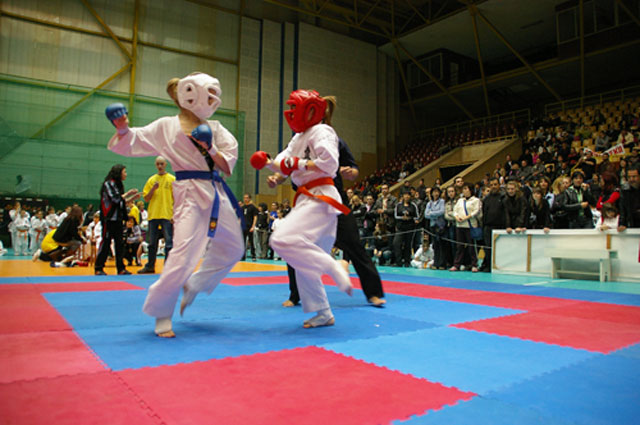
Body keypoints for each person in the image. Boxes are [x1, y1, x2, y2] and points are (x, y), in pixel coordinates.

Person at [105, 72, 245, 337]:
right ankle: (162, 312)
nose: (209, 102)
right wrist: (122, 128)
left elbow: (227, 166)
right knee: (182, 253)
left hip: (216, 192)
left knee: (234, 247)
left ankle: (194, 284)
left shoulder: (216, 128)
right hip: (188, 193)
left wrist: (210, 147)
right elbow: (134, 139)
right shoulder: (166, 127)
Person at [250, 89, 353, 328]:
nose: (291, 112)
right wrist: (268, 164)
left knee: (281, 239)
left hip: (321, 197)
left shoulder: (323, 131)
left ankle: (334, 266)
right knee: (304, 264)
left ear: (310, 111)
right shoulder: (297, 138)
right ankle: (323, 313)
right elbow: (283, 163)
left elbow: (330, 164)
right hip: (308, 200)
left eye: (295, 108)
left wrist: (299, 163)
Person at [94, 164, 140, 275]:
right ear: (119, 173)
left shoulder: (118, 185)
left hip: (118, 219)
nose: (126, 174)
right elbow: (115, 199)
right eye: (124, 172)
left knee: (120, 244)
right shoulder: (108, 184)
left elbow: (121, 202)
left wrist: (132, 198)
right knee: (106, 242)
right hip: (108, 218)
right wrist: (128, 194)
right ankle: (99, 267)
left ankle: (121, 268)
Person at [138, 156, 175, 274]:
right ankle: (150, 266)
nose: (160, 166)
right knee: (152, 243)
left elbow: (177, 198)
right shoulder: (151, 180)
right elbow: (146, 198)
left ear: (166, 164)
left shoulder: (172, 179)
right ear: (155, 165)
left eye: (162, 164)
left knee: (169, 243)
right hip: (153, 215)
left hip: (167, 215)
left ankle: (168, 267)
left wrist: (175, 214)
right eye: (158, 164)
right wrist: (153, 189)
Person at [450, 183, 480, 272]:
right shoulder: (460, 200)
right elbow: (455, 210)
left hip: (470, 226)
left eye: (466, 188)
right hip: (460, 226)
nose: (464, 190)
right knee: (459, 246)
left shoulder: (475, 200)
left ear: (471, 190)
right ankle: (457, 264)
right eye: (463, 189)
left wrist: (466, 217)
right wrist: (456, 217)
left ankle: (474, 264)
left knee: (471, 246)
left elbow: (476, 211)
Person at [480, 178, 506, 272]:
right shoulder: (486, 199)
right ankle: (488, 265)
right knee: (488, 247)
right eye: (491, 185)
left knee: (499, 248)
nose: (493, 187)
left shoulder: (503, 197)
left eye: (495, 184)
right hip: (488, 226)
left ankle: (498, 266)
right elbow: (484, 213)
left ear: (499, 185)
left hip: (500, 227)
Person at [393, 191, 420, 267]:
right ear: (403, 196)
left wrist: (410, 218)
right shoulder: (398, 205)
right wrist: (402, 218)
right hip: (400, 228)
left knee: (408, 245)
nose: (407, 197)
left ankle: (407, 261)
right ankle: (398, 261)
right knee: (396, 243)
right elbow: (395, 216)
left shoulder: (413, 205)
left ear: (410, 196)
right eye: (405, 195)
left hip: (410, 227)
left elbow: (417, 216)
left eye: (408, 195)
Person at [423, 186, 446, 269]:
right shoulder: (429, 203)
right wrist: (435, 214)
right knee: (435, 245)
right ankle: (436, 263)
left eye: (437, 192)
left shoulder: (442, 201)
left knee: (442, 245)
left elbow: (442, 211)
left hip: (441, 226)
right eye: (434, 192)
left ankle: (442, 263)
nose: (435, 194)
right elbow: (426, 215)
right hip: (433, 226)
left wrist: (432, 213)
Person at [618, 163, 640, 231]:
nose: (631, 179)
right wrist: (622, 224)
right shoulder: (625, 191)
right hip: (633, 225)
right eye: (629, 177)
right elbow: (622, 210)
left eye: (634, 176)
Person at [241, 194, 258, 261]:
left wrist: (253, 226)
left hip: (250, 226)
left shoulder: (252, 207)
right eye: (244, 198)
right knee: (243, 242)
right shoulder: (242, 207)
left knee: (251, 241)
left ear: (250, 198)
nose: (245, 199)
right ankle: (243, 256)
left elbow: (255, 217)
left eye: (247, 198)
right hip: (243, 227)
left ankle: (253, 255)